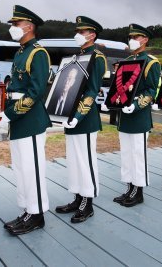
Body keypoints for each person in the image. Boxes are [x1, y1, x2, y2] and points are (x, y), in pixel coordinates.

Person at [0, 6, 51, 234]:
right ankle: (27, 210)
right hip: (18, 118)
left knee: (32, 168)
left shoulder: (38, 53)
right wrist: (3, 111)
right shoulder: (21, 52)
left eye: (16, 24)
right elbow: (15, 89)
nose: (13, 28)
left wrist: (10, 113)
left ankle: (37, 215)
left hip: (31, 120)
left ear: (29, 26)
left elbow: (35, 92)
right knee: (20, 168)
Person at [55, 16, 106, 223]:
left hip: (84, 119)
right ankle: (77, 197)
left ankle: (88, 202)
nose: (78, 34)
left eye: (82, 31)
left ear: (92, 35)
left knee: (86, 161)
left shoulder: (97, 57)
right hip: (71, 117)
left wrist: (77, 116)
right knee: (74, 161)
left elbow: (92, 91)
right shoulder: (78, 56)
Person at [113, 24, 161, 207]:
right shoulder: (127, 61)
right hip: (124, 117)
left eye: (136, 36)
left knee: (137, 154)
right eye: (130, 36)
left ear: (145, 40)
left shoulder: (151, 62)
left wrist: (134, 105)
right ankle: (129, 188)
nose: (132, 40)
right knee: (126, 154)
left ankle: (138, 191)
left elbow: (150, 91)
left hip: (139, 116)